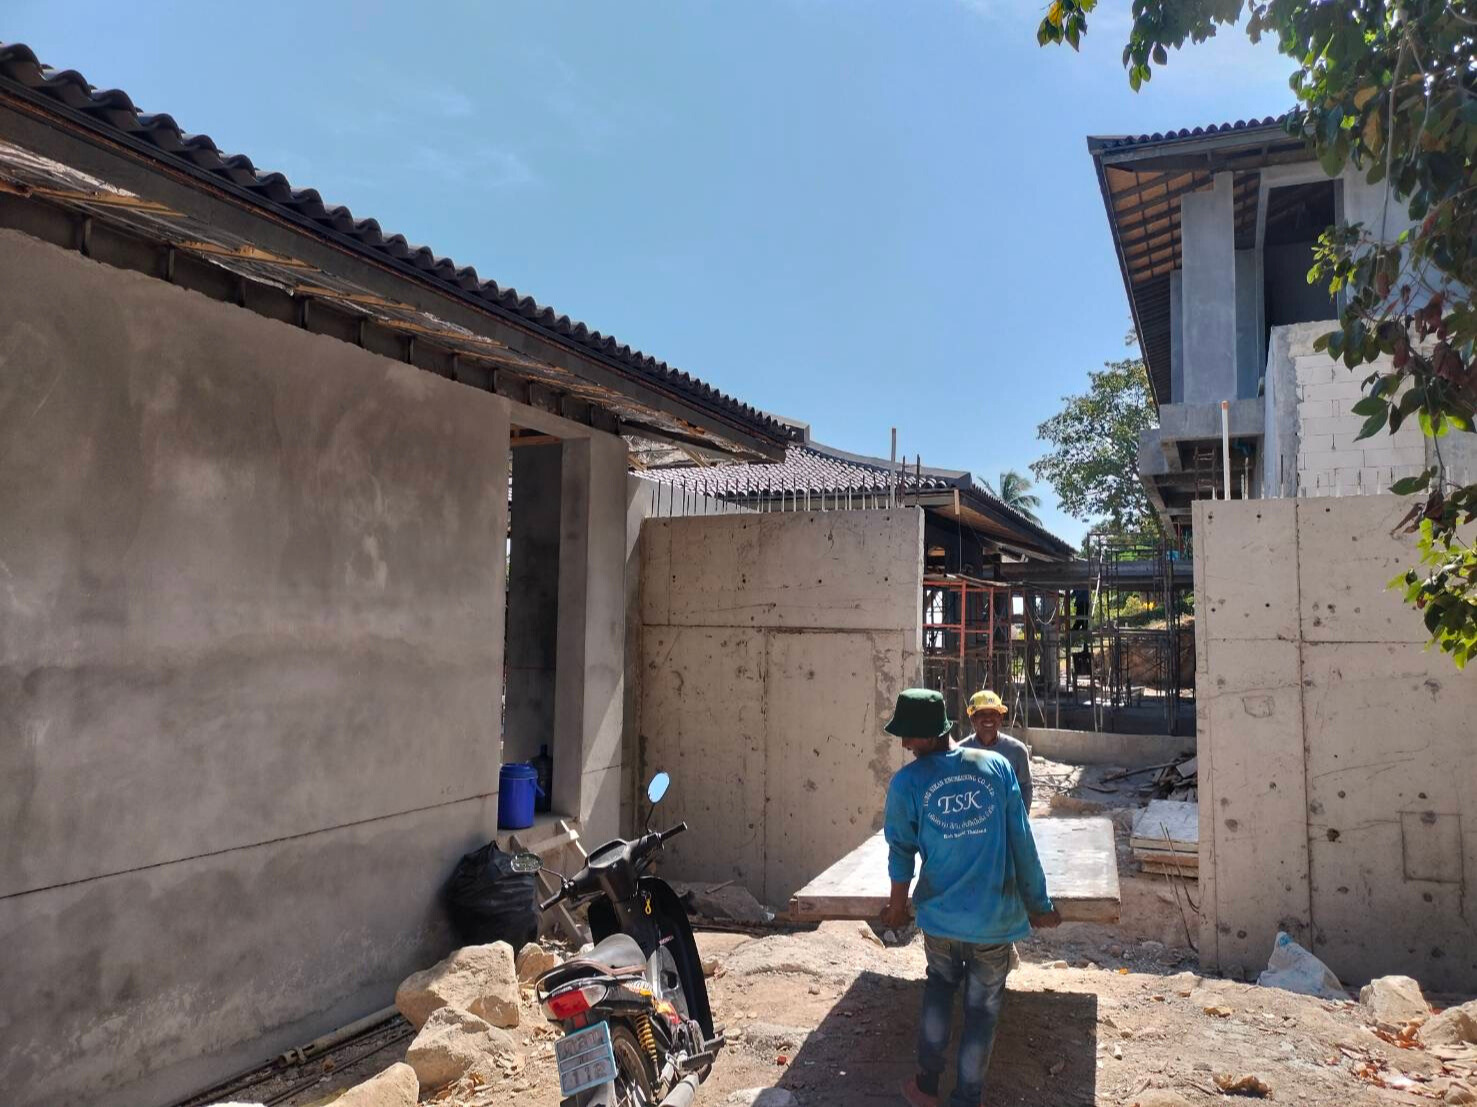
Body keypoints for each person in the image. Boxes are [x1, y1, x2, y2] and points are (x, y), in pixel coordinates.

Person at [878, 688, 1060, 1107]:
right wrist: (1039, 906)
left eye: (908, 736)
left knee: (940, 987)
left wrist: (897, 908)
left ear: (927, 736)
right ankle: (966, 1099)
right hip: (993, 921)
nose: (904, 744)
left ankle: (926, 1088)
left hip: (941, 918)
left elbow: (900, 853)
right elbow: (1022, 843)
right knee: (981, 1010)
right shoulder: (994, 766)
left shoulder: (907, 783)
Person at [958, 690, 1033, 811]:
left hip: (1004, 823)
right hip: (972, 824)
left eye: (993, 713)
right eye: (982, 714)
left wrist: (1020, 823)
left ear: (1001, 717)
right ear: (972, 719)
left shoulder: (1017, 751)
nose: (988, 718)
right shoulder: (960, 752)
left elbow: (1024, 788)